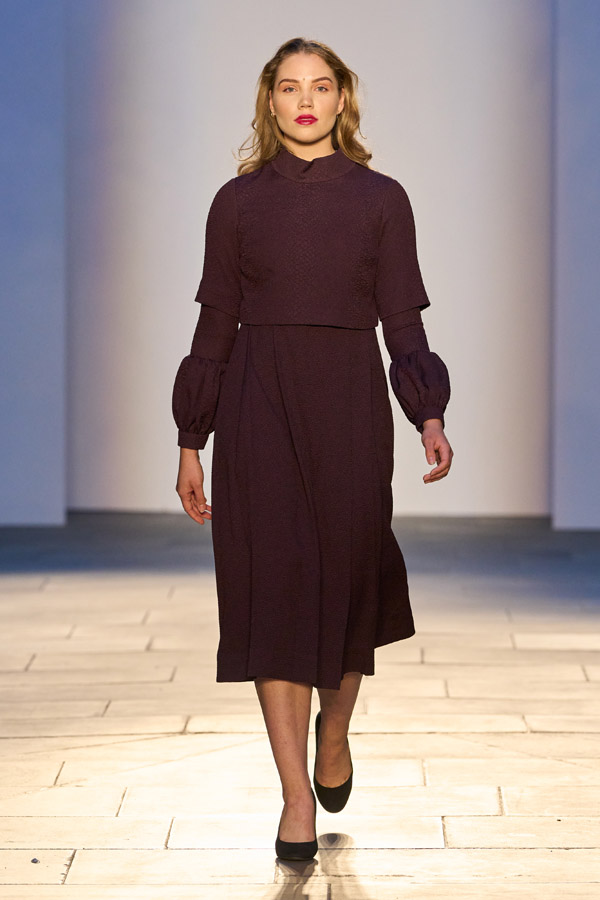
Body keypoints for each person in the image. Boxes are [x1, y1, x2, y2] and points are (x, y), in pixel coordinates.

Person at [172, 37, 453, 861]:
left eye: (320, 87)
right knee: (273, 588)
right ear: (270, 100)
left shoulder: (381, 199)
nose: (305, 101)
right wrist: (191, 439)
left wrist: (429, 414)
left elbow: (402, 318)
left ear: (341, 99)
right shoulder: (236, 204)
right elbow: (215, 323)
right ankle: (296, 796)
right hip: (257, 405)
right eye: (290, 87)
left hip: (348, 406)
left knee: (351, 575)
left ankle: (336, 732)